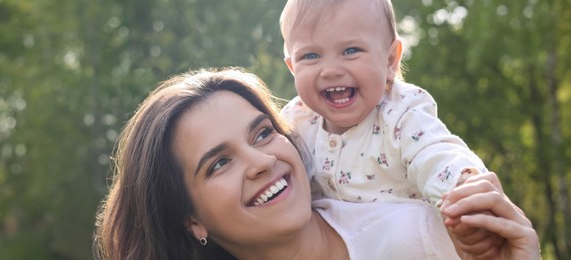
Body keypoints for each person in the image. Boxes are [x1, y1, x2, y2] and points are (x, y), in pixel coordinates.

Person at [94, 67, 540, 259]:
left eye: (263, 133)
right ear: (191, 218)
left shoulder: (425, 237)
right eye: (219, 163)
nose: (261, 161)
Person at [279, 0, 489, 207]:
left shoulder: (402, 112)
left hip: (409, 237)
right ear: (293, 67)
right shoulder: (296, 121)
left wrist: (463, 186)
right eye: (311, 55)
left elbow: (435, 152)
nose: (331, 70)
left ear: (389, 61)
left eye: (351, 51)